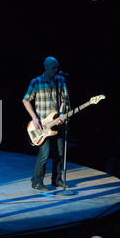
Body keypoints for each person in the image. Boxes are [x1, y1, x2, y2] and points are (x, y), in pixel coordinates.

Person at [22, 56, 68, 191]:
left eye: (57, 67)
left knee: (60, 152)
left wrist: (61, 114)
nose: (56, 70)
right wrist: (34, 118)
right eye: (54, 67)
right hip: (42, 125)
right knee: (44, 154)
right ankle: (36, 182)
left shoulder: (61, 80)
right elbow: (25, 100)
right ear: (46, 67)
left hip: (57, 123)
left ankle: (57, 179)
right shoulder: (36, 82)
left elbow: (64, 99)